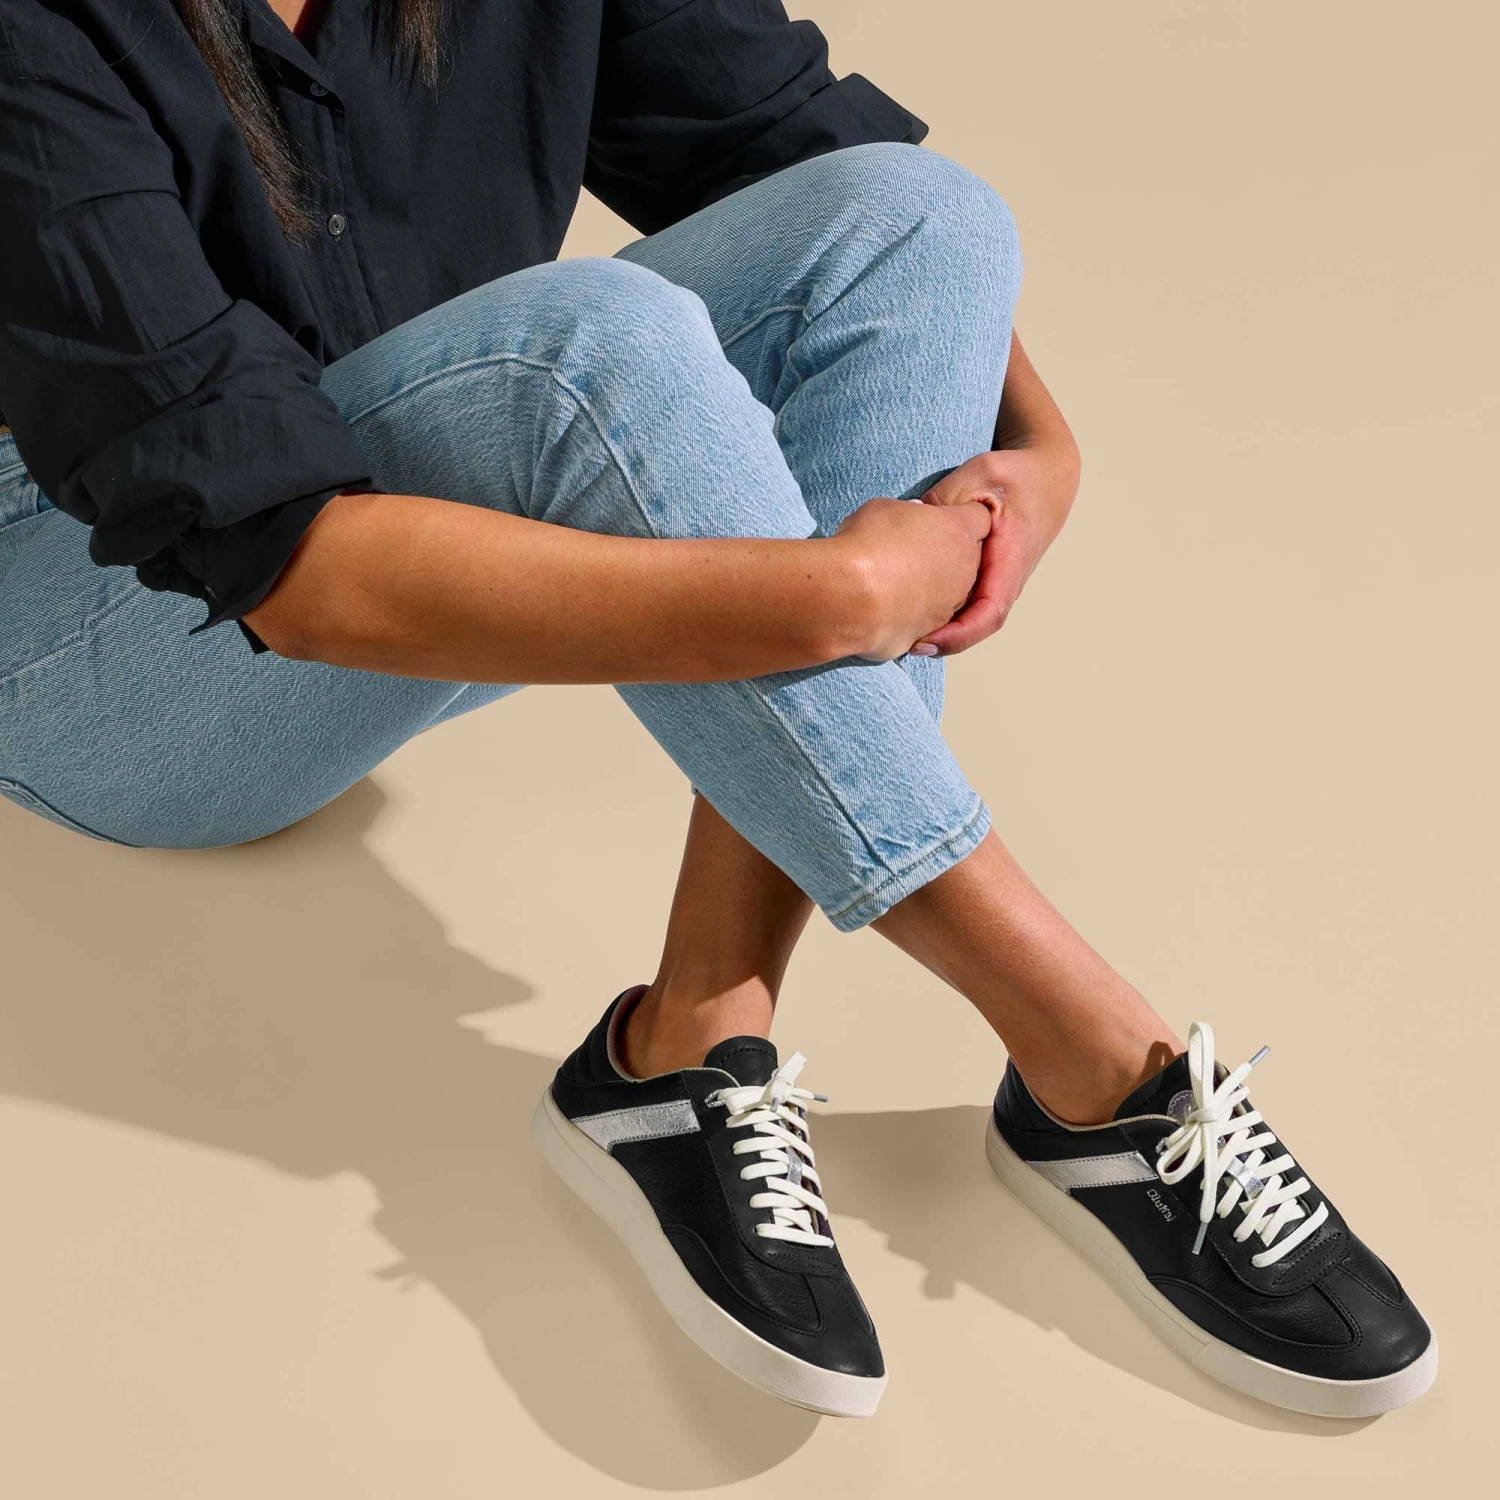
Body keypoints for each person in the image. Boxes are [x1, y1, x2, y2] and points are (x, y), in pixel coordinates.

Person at [0, 0, 1434, 1421]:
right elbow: (282, 564)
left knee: (917, 220)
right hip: (112, 636)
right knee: (582, 342)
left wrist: (1042, 451)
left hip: (435, 554)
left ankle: (695, 1032)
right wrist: (838, 596)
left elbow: (796, 152)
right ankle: (1100, 1060)